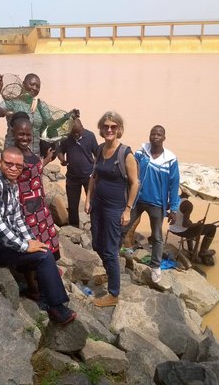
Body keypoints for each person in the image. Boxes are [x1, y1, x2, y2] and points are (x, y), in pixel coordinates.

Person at [0, 146, 76, 325]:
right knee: (44, 256)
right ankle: (56, 307)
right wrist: (25, 246)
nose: (14, 169)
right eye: (9, 164)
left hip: (7, 242)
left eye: (18, 166)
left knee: (41, 247)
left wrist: (31, 240)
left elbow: (18, 218)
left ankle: (48, 296)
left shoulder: (12, 184)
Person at [85, 111, 139, 307]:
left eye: (113, 126)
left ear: (119, 130)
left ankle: (113, 294)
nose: (109, 129)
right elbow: (94, 176)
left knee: (110, 250)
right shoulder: (99, 150)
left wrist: (127, 210)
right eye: (106, 126)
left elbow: (135, 184)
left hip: (115, 209)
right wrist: (88, 199)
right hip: (98, 205)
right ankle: (109, 273)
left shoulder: (126, 154)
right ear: (101, 129)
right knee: (97, 245)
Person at [123, 125, 180, 284]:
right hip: (137, 200)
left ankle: (156, 266)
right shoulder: (141, 153)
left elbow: (174, 184)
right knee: (122, 227)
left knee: (157, 236)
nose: (155, 136)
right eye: (153, 134)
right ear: (149, 136)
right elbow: (130, 173)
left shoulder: (170, 159)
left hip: (157, 203)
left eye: (159, 134)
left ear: (164, 138)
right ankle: (113, 256)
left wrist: (173, 208)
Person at [0, 73, 79, 155]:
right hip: (13, 153)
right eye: (31, 84)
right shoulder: (12, 101)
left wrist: (67, 117)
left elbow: (52, 126)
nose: (34, 88)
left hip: (34, 154)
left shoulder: (40, 105)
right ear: (23, 84)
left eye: (37, 86)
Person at [11, 112, 60, 259]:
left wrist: (45, 161)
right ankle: (32, 281)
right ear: (13, 133)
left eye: (28, 134)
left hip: (40, 207)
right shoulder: (15, 155)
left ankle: (47, 270)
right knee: (32, 244)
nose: (25, 138)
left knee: (47, 239)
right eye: (21, 134)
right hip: (26, 210)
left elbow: (32, 171)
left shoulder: (29, 151)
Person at [57, 118, 98, 228]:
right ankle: (74, 227)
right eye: (73, 132)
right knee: (73, 204)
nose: (76, 135)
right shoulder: (66, 137)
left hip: (88, 176)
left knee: (93, 203)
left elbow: (97, 153)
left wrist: (96, 170)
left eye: (78, 132)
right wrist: (62, 160)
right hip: (72, 177)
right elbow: (60, 150)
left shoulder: (90, 136)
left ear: (82, 127)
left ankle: (96, 225)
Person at [168, 191, 217, 265]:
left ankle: (191, 249)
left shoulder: (175, 198)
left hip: (172, 228)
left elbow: (167, 209)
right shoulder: (188, 204)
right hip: (182, 231)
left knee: (192, 224)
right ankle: (203, 251)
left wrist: (194, 224)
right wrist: (197, 224)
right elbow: (185, 224)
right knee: (212, 228)